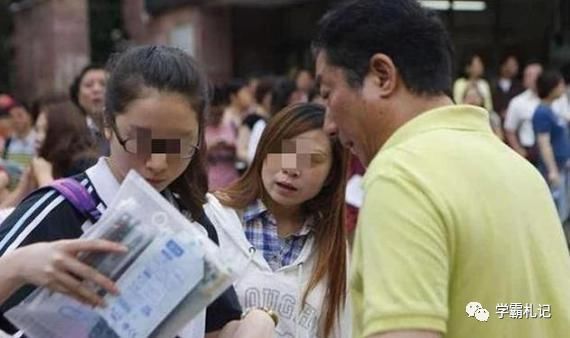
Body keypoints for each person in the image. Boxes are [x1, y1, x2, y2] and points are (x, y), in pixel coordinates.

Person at [313, 1, 570, 337]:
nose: (329, 125)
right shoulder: (520, 171)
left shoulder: (402, 176)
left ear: (382, 75)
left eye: (328, 94)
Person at [0, 45, 276, 338]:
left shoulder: (191, 221)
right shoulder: (59, 211)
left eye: (177, 145)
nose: (157, 163)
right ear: (108, 123)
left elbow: (214, 327)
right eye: (140, 140)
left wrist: (259, 320)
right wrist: (17, 266)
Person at [207, 103, 351, 338]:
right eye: (285, 152)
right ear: (264, 150)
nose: (293, 168)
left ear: (330, 175)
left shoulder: (333, 249)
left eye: (312, 159)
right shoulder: (212, 220)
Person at [0, 105, 98, 209]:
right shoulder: (44, 163)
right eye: (37, 130)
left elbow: (58, 212)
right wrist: (24, 185)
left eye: (45, 130)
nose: (37, 138)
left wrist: (44, 176)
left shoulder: (83, 164)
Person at [504, 63, 570, 164]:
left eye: (536, 75)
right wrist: (519, 151)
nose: (533, 79)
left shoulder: (559, 99)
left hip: (560, 151)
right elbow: (509, 129)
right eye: (528, 75)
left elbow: (566, 120)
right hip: (531, 151)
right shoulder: (518, 102)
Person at [532, 71, 570, 221]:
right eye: (560, 85)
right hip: (553, 170)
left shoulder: (551, 110)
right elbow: (544, 143)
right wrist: (552, 170)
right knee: (556, 213)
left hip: (563, 166)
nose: (563, 88)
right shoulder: (542, 112)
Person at [69, 64, 109, 155]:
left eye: (103, 84)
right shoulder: (70, 131)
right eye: (88, 85)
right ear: (77, 95)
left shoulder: (130, 126)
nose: (96, 89)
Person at [491, 54, 524, 119]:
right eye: (512, 65)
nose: (515, 68)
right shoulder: (492, 84)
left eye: (516, 65)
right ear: (503, 66)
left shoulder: (519, 86)